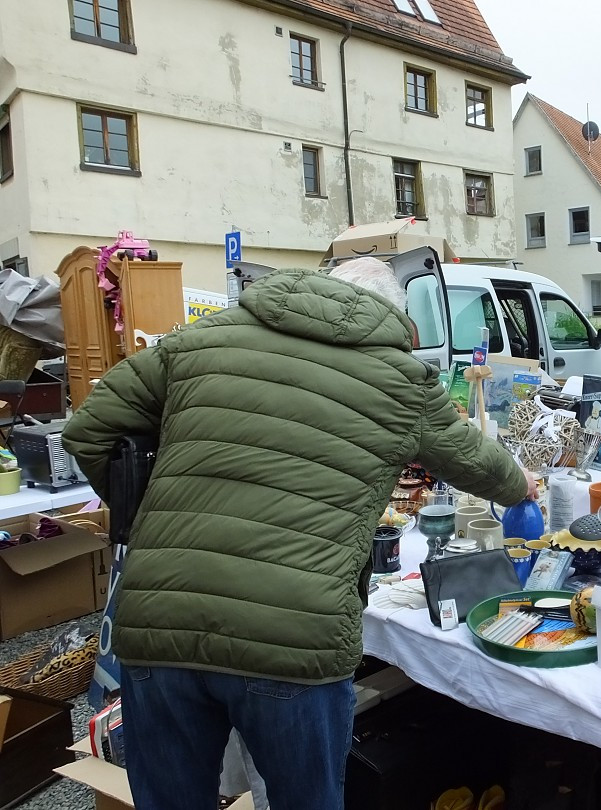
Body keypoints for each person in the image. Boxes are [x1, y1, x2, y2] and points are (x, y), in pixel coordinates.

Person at [62, 256, 536, 810]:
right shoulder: (400, 378)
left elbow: (90, 429)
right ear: (390, 314)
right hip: (295, 638)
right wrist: (521, 485)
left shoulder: (204, 338)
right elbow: (479, 462)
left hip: (161, 623)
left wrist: (152, 520)